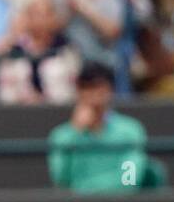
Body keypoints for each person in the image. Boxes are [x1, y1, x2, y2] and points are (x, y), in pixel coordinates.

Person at [47, 62, 149, 193]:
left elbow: (129, 180)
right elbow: (60, 178)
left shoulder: (131, 130)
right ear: (78, 90)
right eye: (86, 87)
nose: (93, 93)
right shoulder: (62, 136)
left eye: (99, 86)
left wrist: (85, 189)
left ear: (110, 89)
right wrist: (75, 132)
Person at [0, 0, 78, 105]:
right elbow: (5, 95)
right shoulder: (14, 50)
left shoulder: (66, 48)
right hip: (17, 113)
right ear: (26, 18)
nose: (41, 20)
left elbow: (73, 90)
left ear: (55, 18)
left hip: (57, 111)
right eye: (35, 14)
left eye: (47, 13)